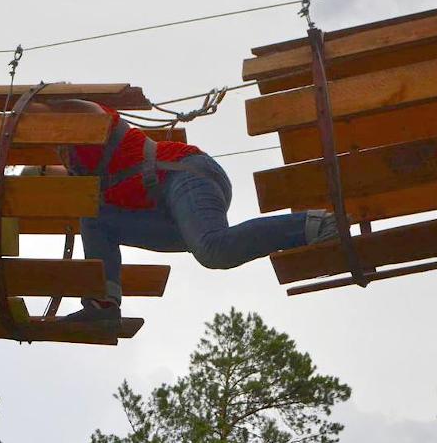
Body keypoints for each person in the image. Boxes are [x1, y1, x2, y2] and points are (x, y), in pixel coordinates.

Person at [24, 99, 338, 323]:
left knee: (214, 249)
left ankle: (318, 225)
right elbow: (42, 180)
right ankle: (103, 304)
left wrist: (28, 103)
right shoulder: (80, 169)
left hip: (185, 175)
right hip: (168, 208)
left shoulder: (94, 123)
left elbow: (77, 108)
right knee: (94, 217)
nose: (62, 154)